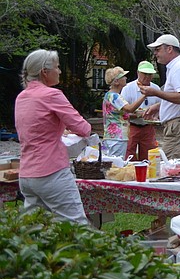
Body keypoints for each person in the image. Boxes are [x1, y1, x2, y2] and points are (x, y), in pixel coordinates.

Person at [15, 49, 93, 224]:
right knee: (76, 224)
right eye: (57, 67)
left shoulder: (21, 97)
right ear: (44, 72)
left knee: (34, 229)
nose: (59, 71)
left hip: (27, 174)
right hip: (51, 172)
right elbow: (83, 127)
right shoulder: (52, 95)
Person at [139, 34, 180, 163]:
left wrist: (155, 93)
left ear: (169, 49)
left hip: (179, 127)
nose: (155, 53)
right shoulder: (179, 66)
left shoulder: (179, 68)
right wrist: (159, 106)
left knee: (171, 169)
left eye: (158, 49)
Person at [102, 66, 148, 158]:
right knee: (117, 162)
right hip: (118, 137)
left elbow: (120, 113)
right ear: (116, 81)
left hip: (110, 136)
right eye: (123, 76)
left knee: (110, 161)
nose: (126, 78)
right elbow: (130, 108)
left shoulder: (109, 95)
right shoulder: (115, 97)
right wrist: (144, 95)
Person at [122, 61, 161, 161]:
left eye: (150, 74)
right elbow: (123, 111)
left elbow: (161, 107)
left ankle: (147, 174)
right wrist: (136, 114)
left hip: (148, 127)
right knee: (129, 153)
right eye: (145, 74)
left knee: (149, 155)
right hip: (132, 126)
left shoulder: (156, 89)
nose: (147, 77)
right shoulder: (128, 88)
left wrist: (156, 116)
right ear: (138, 73)